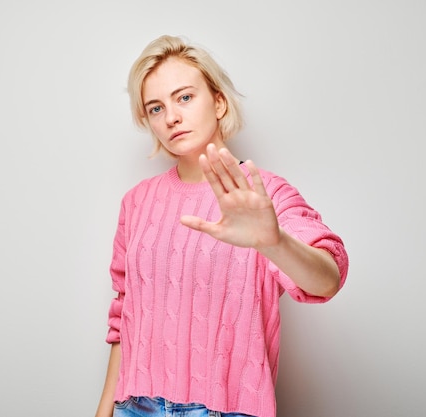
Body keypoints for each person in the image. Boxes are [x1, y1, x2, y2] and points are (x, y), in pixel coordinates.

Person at [95, 35, 349, 417]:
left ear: (218, 101)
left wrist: (274, 241)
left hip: (224, 411)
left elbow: (327, 279)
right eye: (155, 107)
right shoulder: (137, 202)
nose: (171, 117)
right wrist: (105, 410)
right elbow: (124, 313)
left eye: (184, 97)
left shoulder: (266, 195)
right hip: (136, 407)